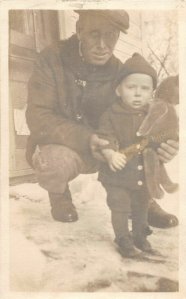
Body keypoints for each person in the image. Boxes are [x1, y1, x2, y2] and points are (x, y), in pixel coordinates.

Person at [26, 10, 178, 227]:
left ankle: (142, 202)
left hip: (106, 147)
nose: (102, 45)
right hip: (64, 146)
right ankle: (59, 196)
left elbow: (136, 117)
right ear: (79, 31)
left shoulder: (120, 71)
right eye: (94, 34)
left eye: (111, 36)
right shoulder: (51, 59)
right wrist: (88, 138)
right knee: (55, 162)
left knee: (140, 146)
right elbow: (39, 118)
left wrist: (162, 141)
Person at [97, 53, 178, 258]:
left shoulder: (152, 115)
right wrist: (110, 154)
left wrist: (167, 142)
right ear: (118, 89)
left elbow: (165, 135)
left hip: (142, 173)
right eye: (131, 87)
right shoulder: (111, 114)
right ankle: (123, 238)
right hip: (118, 174)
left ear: (152, 92)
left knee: (142, 204)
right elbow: (105, 136)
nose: (137, 94)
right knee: (120, 205)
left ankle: (140, 235)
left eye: (144, 89)